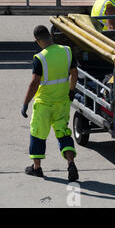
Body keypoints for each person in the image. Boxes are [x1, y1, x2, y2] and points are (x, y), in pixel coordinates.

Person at [21, 25, 79, 182]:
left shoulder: (39, 58)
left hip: (44, 104)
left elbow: (34, 83)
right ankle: (71, 163)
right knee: (63, 133)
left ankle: (37, 168)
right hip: (62, 102)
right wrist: (71, 91)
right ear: (51, 35)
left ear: (37, 40)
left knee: (38, 134)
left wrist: (25, 102)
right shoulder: (67, 51)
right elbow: (74, 73)